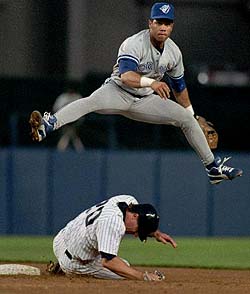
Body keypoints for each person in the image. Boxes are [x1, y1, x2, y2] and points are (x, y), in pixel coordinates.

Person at [29, 2, 243, 184]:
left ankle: (213, 169)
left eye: (167, 23)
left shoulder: (174, 52)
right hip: (118, 92)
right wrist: (152, 83)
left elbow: (179, 87)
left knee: (186, 119)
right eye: (158, 22)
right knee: (90, 102)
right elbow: (126, 76)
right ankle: (48, 125)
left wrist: (193, 116)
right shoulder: (134, 43)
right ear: (150, 23)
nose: (162, 27)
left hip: (145, 101)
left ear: (172, 26)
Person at [51, 194, 177, 280]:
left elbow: (139, 220)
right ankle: (64, 268)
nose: (136, 234)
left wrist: (154, 232)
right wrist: (143, 276)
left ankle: (61, 264)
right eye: (139, 230)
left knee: (121, 265)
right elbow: (108, 261)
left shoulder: (127, 201)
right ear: (135, 216)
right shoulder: (112, 223)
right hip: (75, 263)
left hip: (61, 238)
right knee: (124, 270)